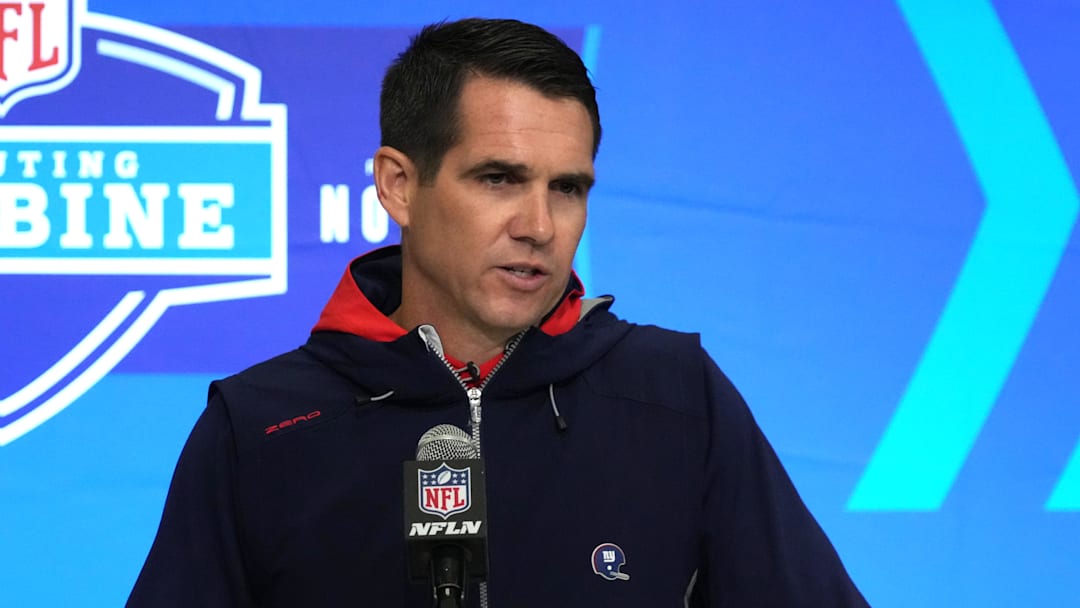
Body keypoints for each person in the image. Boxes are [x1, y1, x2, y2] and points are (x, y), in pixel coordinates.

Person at [129, 18, 868, 607]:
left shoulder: (674, 396)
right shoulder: (261, 427)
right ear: (398, 186)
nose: (540, 226)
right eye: (499, 178)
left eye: (568, 188)